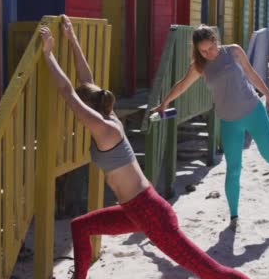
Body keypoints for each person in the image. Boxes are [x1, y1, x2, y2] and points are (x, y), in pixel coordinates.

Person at [39, 15, 249, 279]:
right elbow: (85, 80)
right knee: (80, 227)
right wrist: (71, 39)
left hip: (151, 214)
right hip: (134, 210)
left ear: (88, 109)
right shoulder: (106, 112)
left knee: (211, 271)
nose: (78, 112)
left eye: (83, 108)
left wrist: (48, 55)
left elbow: (69, 93)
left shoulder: (105, 128)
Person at [152, 25, 269, 226]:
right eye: (203, 51)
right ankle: (234, 216)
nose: (208, 53)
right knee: (233, 169)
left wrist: (268, 93)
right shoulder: (200, 65)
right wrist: (164, 103)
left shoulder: (233, 51)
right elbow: (182, 85)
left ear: (215, 41)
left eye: (210, 48)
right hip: (229, 122)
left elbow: (251, 73)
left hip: (253, 111)